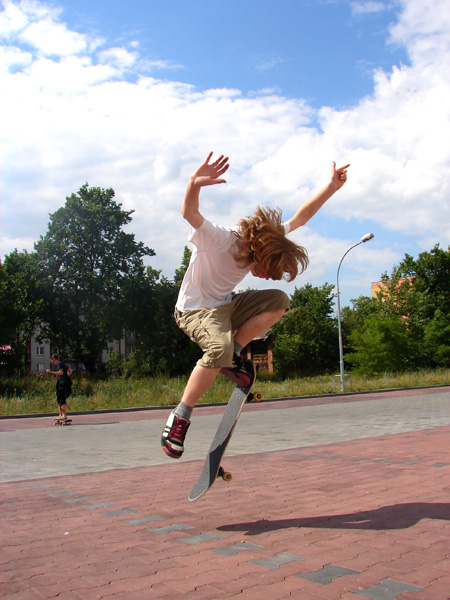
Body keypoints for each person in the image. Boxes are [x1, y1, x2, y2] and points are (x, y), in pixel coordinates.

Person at [161, 152, 349, 459]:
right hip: (194, 311)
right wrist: (194, 183)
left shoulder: (270, 239)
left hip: (225, 306)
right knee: (217, 350)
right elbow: (188, 212)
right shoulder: (222, 239)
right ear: (257, 252)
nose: (262, 275)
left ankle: (231, 357)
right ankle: (178, 419)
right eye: (264, 269)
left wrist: (331, 188)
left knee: (279, 301)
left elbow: (300, 218)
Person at [46, 354, 73, 421]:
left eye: (52, 361)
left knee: (61, 398)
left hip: (62, 382)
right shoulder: (62, 363)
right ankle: (60, 414)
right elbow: (70, 370)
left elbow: (61, 372)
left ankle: (63, 415)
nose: (52, 362)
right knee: (59, 397)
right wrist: (67, 376)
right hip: (64, 381)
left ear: (54, 359)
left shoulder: (59, 363)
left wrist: (51, 372)